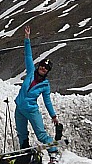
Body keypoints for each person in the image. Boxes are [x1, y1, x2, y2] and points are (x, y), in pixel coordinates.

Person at [14, 25, 59, 157]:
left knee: (41, 135)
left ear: (48, 71)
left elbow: (47, 102)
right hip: (20, 109)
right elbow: (28, 55)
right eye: (42, 66)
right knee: (22, 134)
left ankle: (53, 152)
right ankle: (25, 154)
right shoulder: (30, 73)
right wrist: (27, 38)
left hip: (32, 110)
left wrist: (54, 116)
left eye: (46, 68)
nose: (43, 68)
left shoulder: (45, 85)